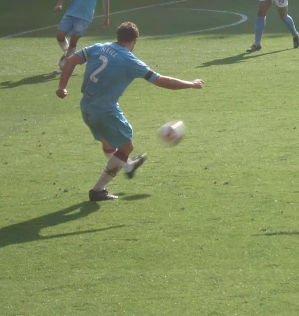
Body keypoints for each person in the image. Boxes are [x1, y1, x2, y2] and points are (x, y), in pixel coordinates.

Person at [56, 21, 204, 201]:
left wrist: (62, 87)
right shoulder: (131, 61)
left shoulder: (98, 47)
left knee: (108, 142)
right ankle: (98, 190)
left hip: (86, 106)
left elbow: (71, 60)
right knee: (127, 146)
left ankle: (128, 166)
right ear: (135, 40)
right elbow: (161, 81)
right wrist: (191, 84)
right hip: (105, 110)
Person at [53, 0, 110, 73]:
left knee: (74, 40)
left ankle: (64, 64)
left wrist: (106, 17)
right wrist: (59, 4)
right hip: (71, 12)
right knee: (59, 35)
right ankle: (69, 53)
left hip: (85, 16)